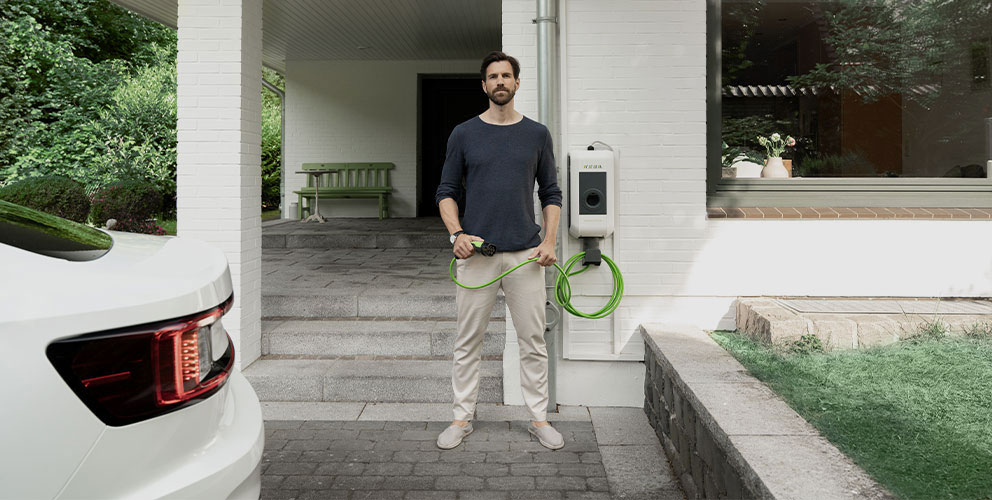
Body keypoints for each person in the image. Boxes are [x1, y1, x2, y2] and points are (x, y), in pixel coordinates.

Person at [434, 51, 564, 451]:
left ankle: (539, 419)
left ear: (517, 83)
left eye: (507, 75)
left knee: (532, 341)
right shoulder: (464, 134)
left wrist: (549, 241)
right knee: (467, 341)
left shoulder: (537, 134)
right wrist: (456, 233)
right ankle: (461, 418)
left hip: (526, 256)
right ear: (484, 85)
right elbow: (446, 192)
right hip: (477, 256)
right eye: (493, 76)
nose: (500, 82)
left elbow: (552, 193)